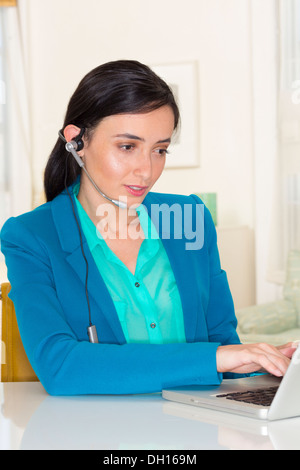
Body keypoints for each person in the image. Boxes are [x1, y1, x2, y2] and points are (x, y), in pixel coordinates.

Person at [0, 60, 297, 396]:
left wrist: (262, 362)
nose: (146, 169)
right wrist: (215, 358)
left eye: (159, 150)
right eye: (127, 147)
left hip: (197, 432)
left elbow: (221, 343)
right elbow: (60, 365)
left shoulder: (188, 218)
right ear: (76, 141)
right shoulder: (31, 236)